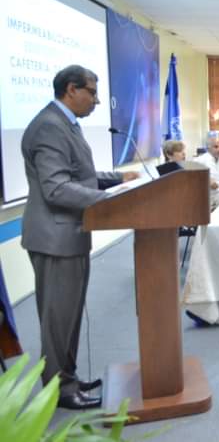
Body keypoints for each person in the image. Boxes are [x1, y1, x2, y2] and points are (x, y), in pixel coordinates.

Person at [21, 65, 138, 410]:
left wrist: (117, 179)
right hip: (55, 238)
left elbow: (79, 175)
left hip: (67, 235)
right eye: (92, 92)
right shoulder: (49, 127)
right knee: (58, 320)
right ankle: (60, 389)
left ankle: (67, 377)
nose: (97, 101)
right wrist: (110, 199)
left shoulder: (64, 124)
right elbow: (56, 188)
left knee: (68, 316)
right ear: (71, 89)